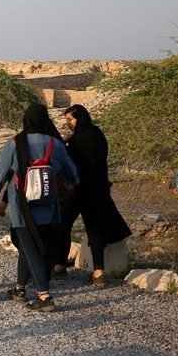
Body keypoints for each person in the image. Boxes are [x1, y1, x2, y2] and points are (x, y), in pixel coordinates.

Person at [0, 104, 79, 312]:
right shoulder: (55, 143)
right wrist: (71, 182)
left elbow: (2, 173)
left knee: (29, 247)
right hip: (48, 203)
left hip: (23, 206)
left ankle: (44, 296)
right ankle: (19, 288)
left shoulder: (15, 143)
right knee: (32, 246)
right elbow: (71, 170)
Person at [63, 104, 132, 286]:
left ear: (79, 118)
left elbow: (69, 163)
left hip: (80, 190)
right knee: (95, 229)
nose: (68, 123)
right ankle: (98, 272)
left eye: (70, 119)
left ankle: (58, 266)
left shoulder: (78, 140)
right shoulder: (97, 134)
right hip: (99, 188)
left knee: (64, 225)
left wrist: (65, 144)